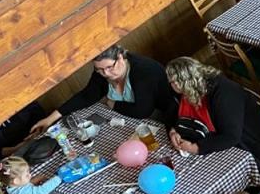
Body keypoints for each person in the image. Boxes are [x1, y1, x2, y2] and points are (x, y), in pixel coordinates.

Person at [164, 57, 260, 187]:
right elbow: (170, 111)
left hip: (248, 143)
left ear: (182, 82)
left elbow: (231, 136)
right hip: (212, 139)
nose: (170, 85)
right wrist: (173, 131)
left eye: (172, 82)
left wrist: (196, 148)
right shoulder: (185, 91)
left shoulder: (223, 92)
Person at [32, 45, 174, 132]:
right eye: (99, 69)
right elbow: (87, 96)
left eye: (109, 67)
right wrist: (50, 118)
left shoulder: (144, 70)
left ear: (120, 57)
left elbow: (142, 111)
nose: (106, 73)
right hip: (129, 119)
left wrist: (111, 103)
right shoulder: (101, 73)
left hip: (162, 115)